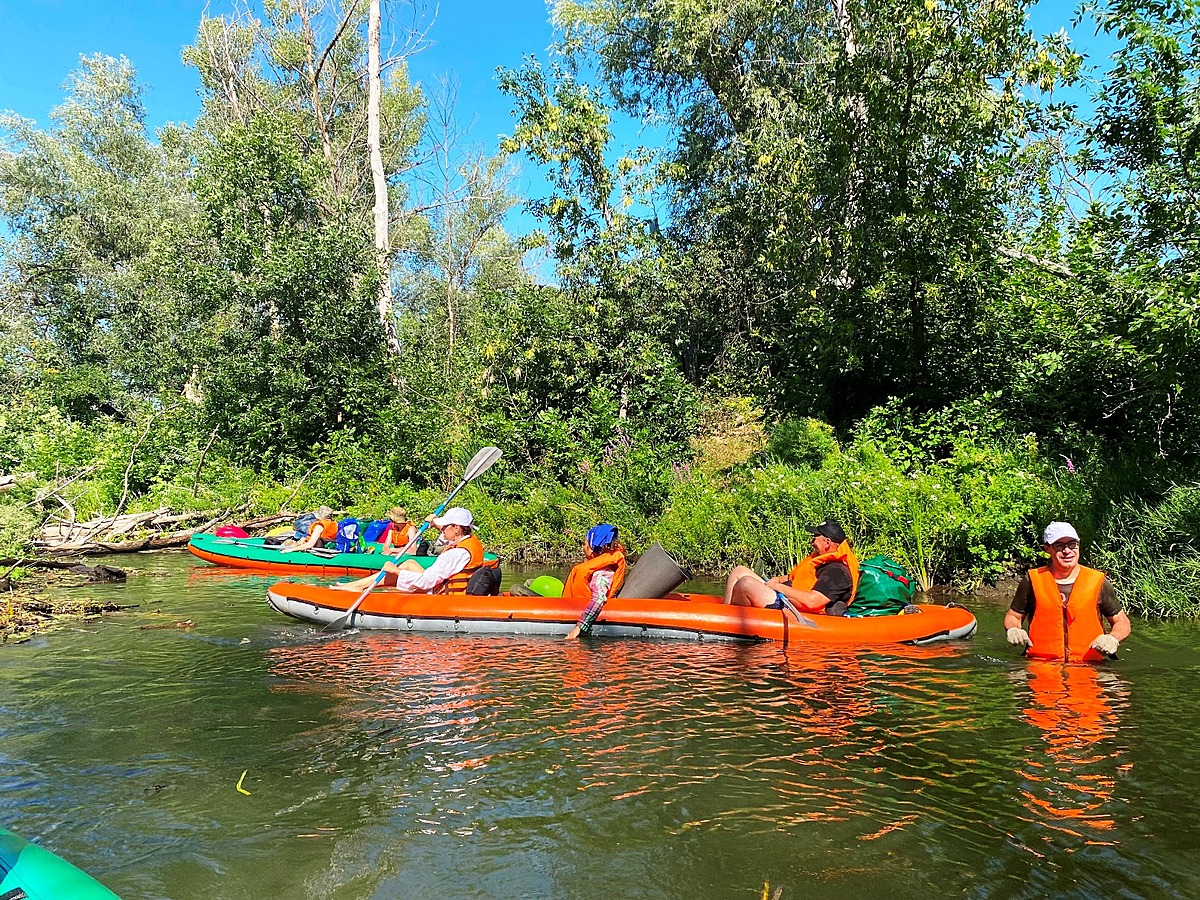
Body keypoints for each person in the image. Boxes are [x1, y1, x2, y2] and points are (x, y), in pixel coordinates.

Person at [1004, 521, 1131, 662]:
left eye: (1072, 544)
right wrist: (1013, 629)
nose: (1067, 551)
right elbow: (1013, 616)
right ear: (1047, 548)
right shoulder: (1032, 581)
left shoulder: (1098, 582)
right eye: (1059, 546)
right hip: (1041, 665)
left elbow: (1122, 622)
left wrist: (1113, 638)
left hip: (1092, 666)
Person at [333, 507, 492, 593]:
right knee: (409, 563)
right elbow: (445, 537)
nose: (442, 529)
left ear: (457, 528)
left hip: (441, 594)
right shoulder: (470, 541)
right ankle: (358, 586)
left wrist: (396, 572)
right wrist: (435, 523)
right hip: (442, 584)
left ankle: (356, 587)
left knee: (401, 571)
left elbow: (426, 582)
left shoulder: (456, 553)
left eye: (445, 526)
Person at [724, 519, 859, 615]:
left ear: (827, 542)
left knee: (746, 584)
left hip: (794, 608)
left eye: (815, 538)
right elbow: (792, 577)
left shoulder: (837, 572)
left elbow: (812, 602)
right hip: (785, 596)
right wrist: (777, 579)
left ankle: (731, 625)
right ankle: (723, 616)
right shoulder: (819, 559)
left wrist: (777, 587)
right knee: (739, 571)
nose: (812, 542)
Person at [565, 524, 628, 639]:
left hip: (581, 613)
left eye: (585, 544)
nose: (583, 548)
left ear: (592, 548)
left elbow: (599, 599)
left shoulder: (601, 575)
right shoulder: (601, 569)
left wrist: (578, 627)